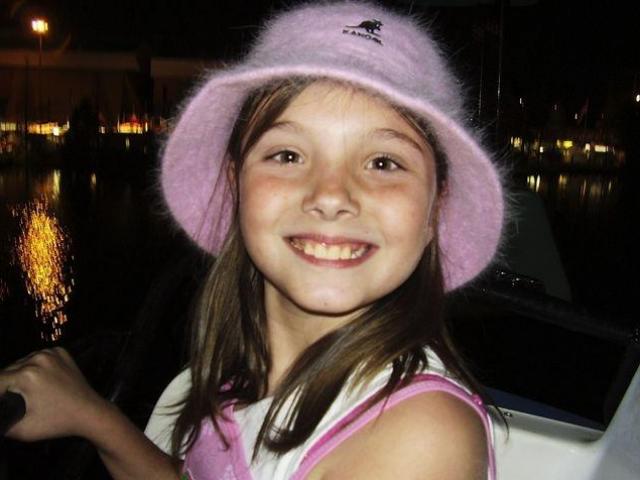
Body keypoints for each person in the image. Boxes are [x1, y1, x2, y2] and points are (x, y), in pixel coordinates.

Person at [0, 1, 505, 479]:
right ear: (235, 182)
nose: (331, 196)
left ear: (436, 207)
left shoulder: (419, 437)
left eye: (383, 162)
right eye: (287, 155)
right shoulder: (242, 372)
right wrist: (95, 419)